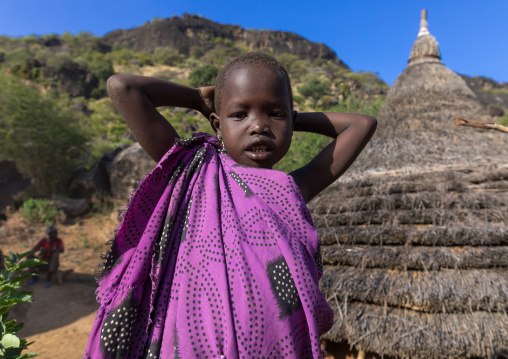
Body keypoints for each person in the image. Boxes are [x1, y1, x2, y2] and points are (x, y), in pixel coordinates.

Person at [85, 52, 376, 359]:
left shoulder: (289, 190)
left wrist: (292, 118)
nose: (259, 127)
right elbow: (123, 88)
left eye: (273, 115)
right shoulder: (193, 169)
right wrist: (197, 97)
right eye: (239, 115)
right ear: (217, 124)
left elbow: (362, 124)